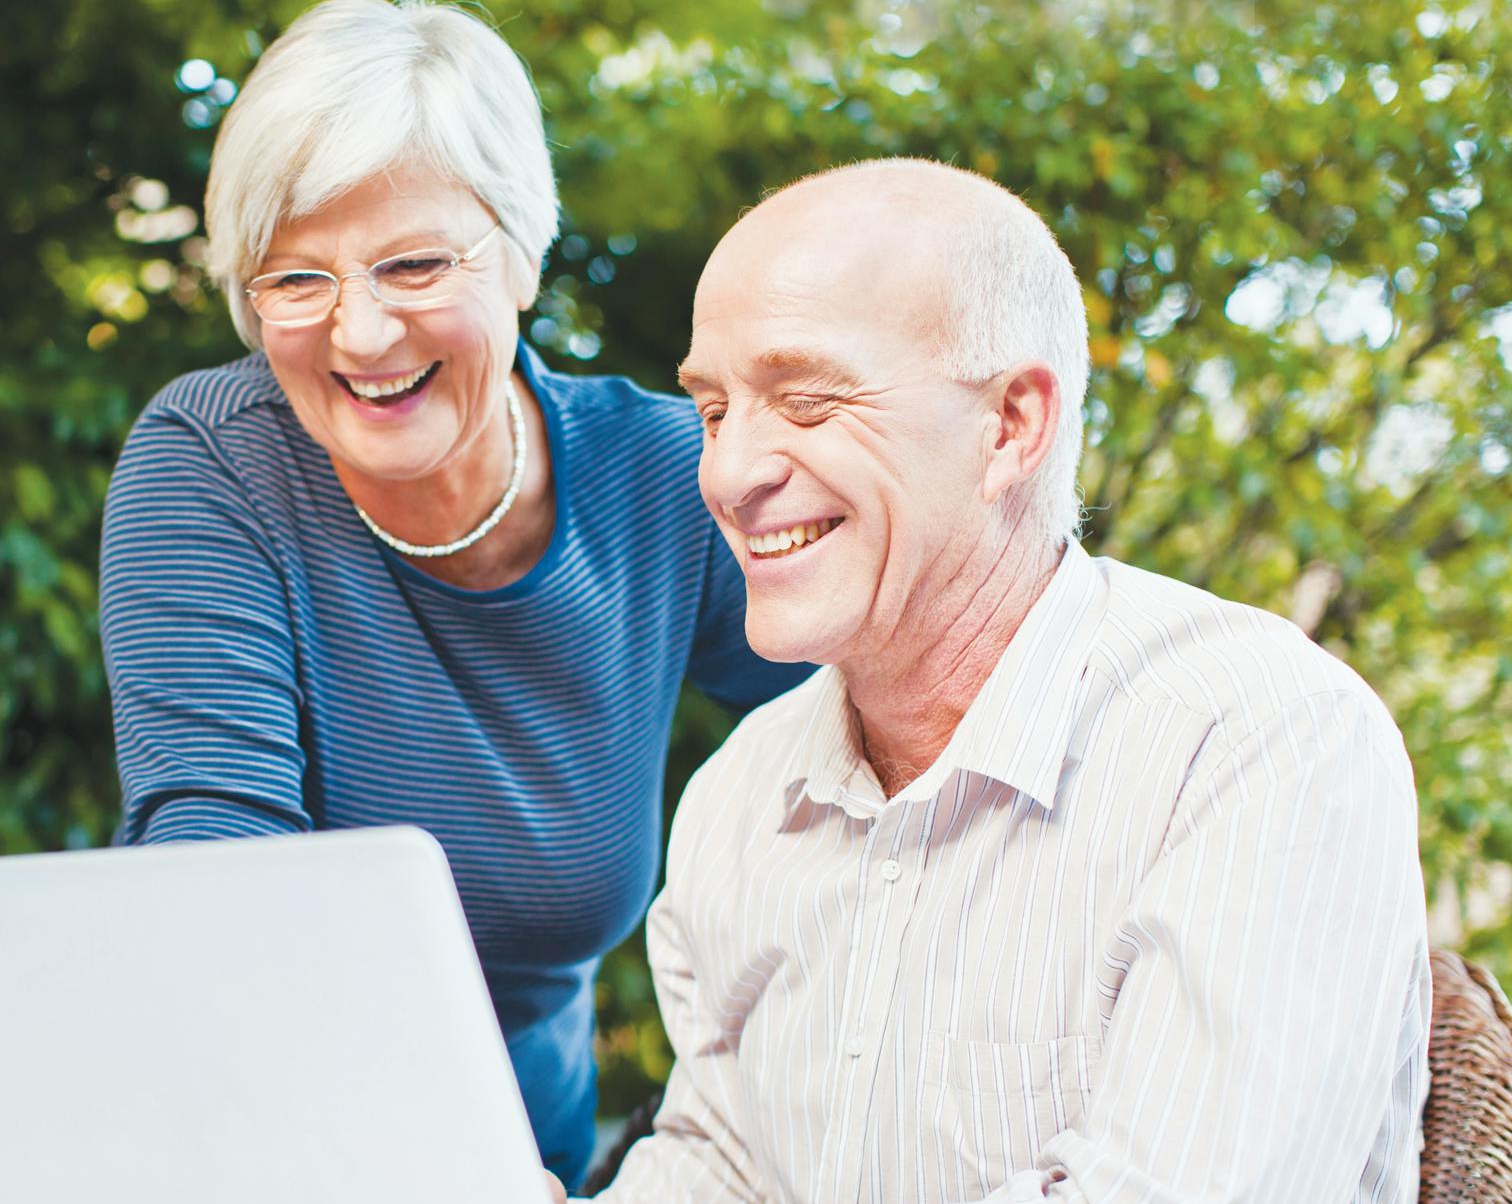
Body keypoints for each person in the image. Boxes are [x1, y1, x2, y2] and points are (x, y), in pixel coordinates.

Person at [567, 157, 1429, 1203]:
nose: (729, 472)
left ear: (1012, 424)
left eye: (806, 399)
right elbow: (727, 1158)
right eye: (711, 410)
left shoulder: (1262, 738)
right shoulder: (741, 796)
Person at [97, 0, 811, 1188]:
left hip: (535, 1164)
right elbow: (215, 856)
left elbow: (884, 736)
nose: (361, 332)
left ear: (523, 254)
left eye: (414, 263)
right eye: (295, 278)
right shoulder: (216, 461)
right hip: (263, 1148)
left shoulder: (658, 480)